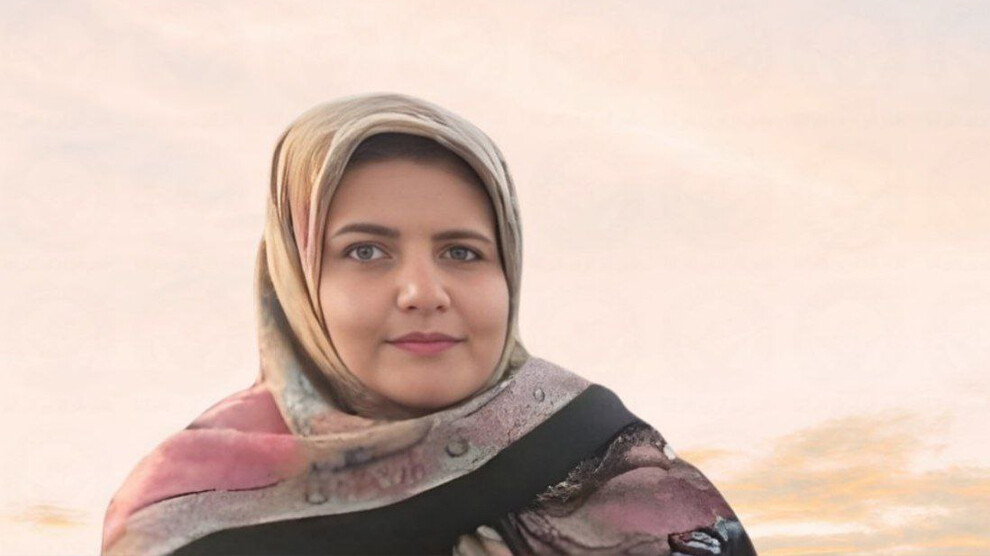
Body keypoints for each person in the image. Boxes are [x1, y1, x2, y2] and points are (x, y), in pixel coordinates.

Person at [101, 93, 757, 556]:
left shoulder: (604, 462)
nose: (422, 292)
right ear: (295, 283)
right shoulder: (188, 516)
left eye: (462, 253)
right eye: (365, 251)